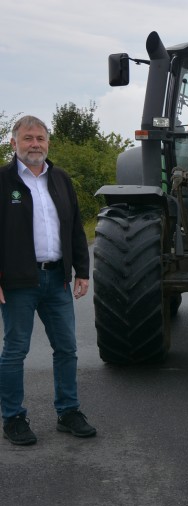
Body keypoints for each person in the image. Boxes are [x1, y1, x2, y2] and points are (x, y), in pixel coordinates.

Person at [0, 115, 95, 445]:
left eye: (40, 138)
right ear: (14, 143)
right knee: (15, 351)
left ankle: (68, 412)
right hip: (17, 283)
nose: (35, 144)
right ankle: (13, 418)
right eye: (28, 138)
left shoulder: (60, 179)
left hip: (57, 279)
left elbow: (74, 227)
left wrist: (81, 271)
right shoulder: (3, 180)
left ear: (48, 143)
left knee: (67, 348)